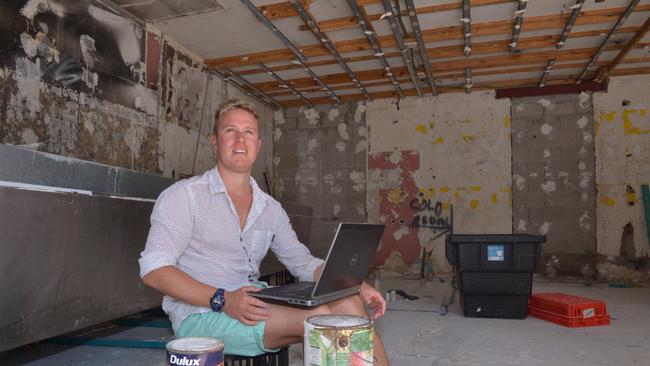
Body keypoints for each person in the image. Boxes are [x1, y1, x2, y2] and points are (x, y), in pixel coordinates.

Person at [139, 98, 390, 364]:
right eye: (230, 131)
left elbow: (302, 262)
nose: (240, 140)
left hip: (253, 300)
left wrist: (355, 284)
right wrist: (223, 299)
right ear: (214, 141)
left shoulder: (269, 208)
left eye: (248, 132)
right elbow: (154, 270)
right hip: (201, 312)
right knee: (322, 320)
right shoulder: (184, 196)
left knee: (349, 305)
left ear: (258, 145)